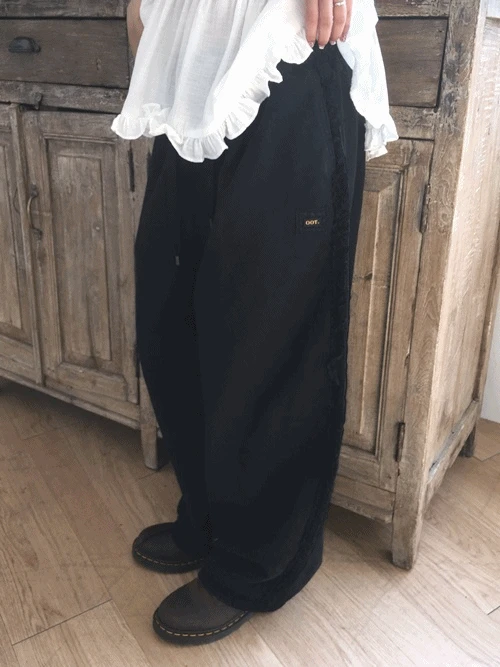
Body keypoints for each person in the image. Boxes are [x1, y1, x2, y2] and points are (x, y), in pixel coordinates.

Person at [112, 0, 398, 646]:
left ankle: (258, 563)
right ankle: (208, 518)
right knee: (170, 316)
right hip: (191, 66)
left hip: (290, 47)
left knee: (272, 334)